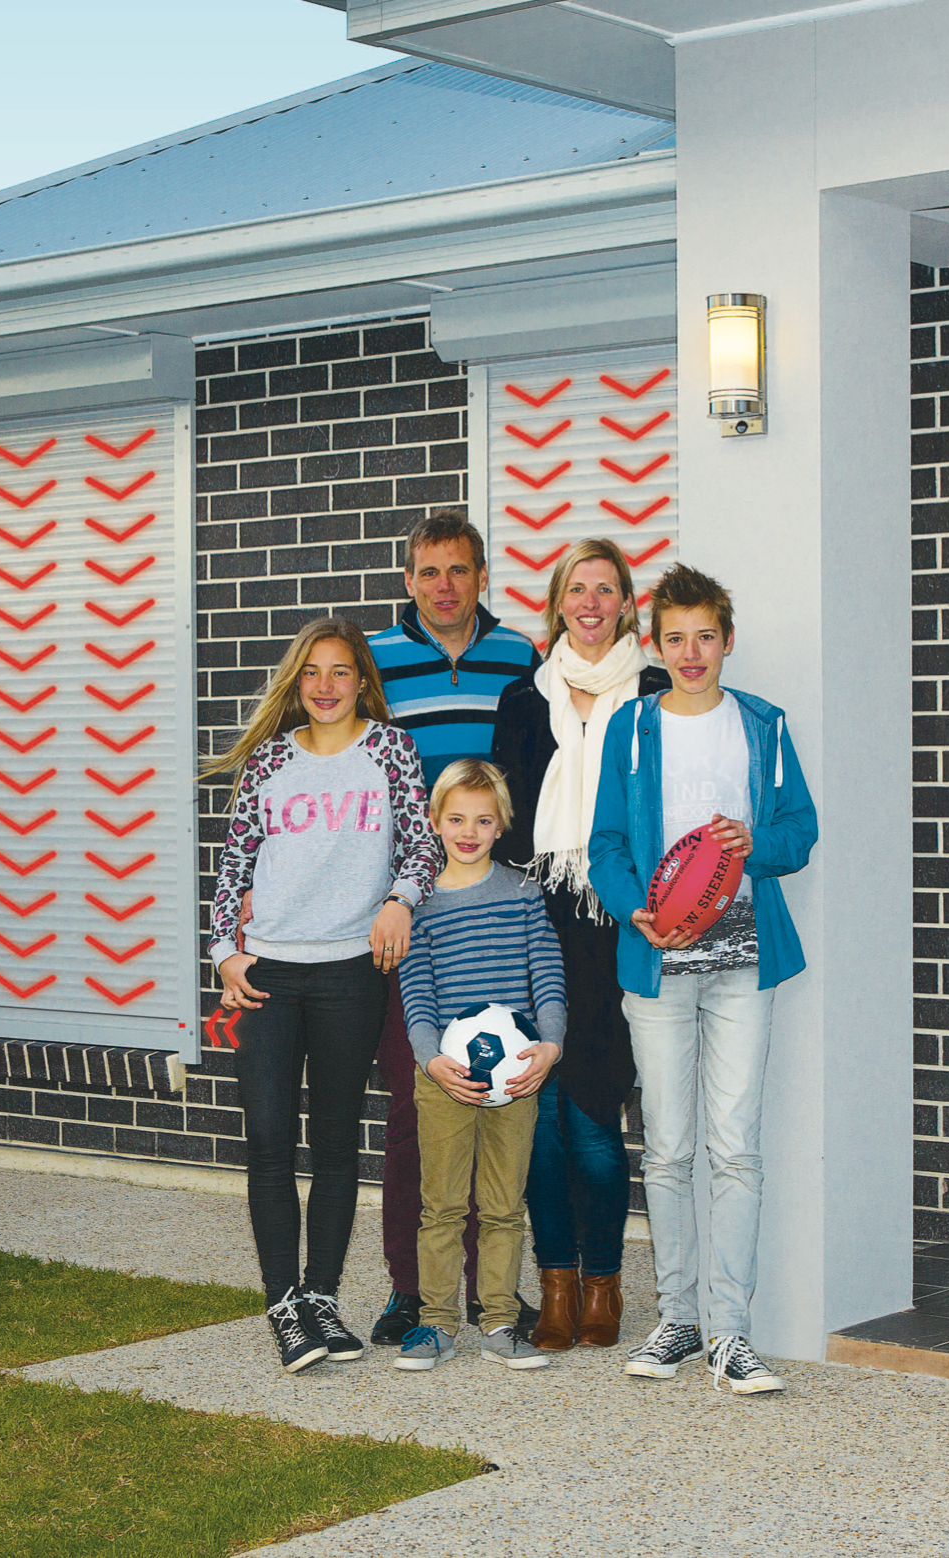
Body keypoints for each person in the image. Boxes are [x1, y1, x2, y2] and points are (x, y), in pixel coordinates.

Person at [588, 563, 817, 1395]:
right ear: (656, 643)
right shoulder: (632, 727)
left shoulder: (763, 724)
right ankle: (678, 1321)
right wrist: (631, 909)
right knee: (672, 1148)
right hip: (657, 961)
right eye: (675, 638)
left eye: (706, 638)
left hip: (745, 961)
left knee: (737, 1149)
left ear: (727, 641)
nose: (691, 653)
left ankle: (733, 1333)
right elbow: (605, 843)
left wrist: (755, 839)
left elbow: (802, 830)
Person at [206, 616, 441, 1373]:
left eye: (341, 672)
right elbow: (233, 866)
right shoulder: (270, 761)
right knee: (270, 1138)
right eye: (312, 672)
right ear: (295, 683)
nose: (326, 686)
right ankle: (283, 1303)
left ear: (363, 682)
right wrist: (223, 955)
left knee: (338, 1142)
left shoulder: (391, 752)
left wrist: (401, 898)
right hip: (269, 972)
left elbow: (422, 843)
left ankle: (323, 1298)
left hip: (351, 972)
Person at [364, 508, 542, 1346]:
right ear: (409, 580)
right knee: (418, 1102)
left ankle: (489, 1290)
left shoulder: (518, 656)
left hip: (496, 912)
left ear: (481, 577)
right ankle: (413, 1288)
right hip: (410, 912)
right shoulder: (377, 663)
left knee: (498, 1088)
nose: (444, 586)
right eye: (429, 572)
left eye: (459, 571)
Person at [490, 538, 670, 1352]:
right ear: (558, 603)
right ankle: (553, 1283)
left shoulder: (658, 693)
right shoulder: (522, 701)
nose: (591, 603)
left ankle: (604, 1285)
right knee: (541, 1120)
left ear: (628, 604)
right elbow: (500, 827)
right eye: (576, 589)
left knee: (596, 1116)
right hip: (536, 922)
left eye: (607, 589)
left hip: (617, 925)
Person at [393, 759, 565, 1372]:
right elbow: (415, 990)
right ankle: (435, 1324)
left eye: (483, 820)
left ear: (502, 826)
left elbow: (546, 974)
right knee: (440, 1205)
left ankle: (497, 1320)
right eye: (457, 818)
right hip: (444, 1078)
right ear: (435, 821)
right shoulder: (422, 903)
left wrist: (549, 1046)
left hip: (517, 1078)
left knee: (502, 1206)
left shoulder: (521, 892)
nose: (469, 831)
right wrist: (430, 1058)